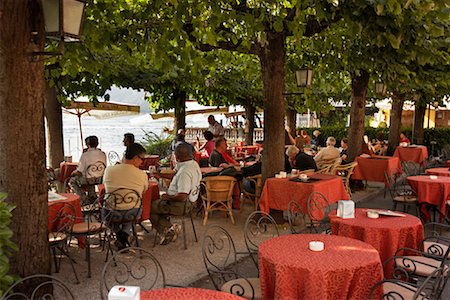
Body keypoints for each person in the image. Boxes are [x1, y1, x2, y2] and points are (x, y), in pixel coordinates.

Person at [150, 143, 202, 245]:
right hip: (191, 201)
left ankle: (168, 230)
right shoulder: (192, 164)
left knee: (150, 207)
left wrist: (167, 196)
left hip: (181, 205)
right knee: (158, 204)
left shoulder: (184, 172)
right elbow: (175, 174)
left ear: (177, 157)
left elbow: (182, 196)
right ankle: (171, 226)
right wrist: (160, 175)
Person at [101, 143, 148, 250]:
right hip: (132, 213)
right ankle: (124, 235)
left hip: (111, 213)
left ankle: (119, 234)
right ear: (135, 158)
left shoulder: (109, 170)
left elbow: (105, 186)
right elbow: (144, 191)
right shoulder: (142, 174)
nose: (142, 162)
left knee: (106, 216)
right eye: (142, 159)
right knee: (132, 211)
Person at [69, 136, 107, 204]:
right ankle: (92, 196)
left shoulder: (85, 155)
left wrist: (72, 173)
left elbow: (79, 170)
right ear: (97, 143)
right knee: (90, 178)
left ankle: (83, 198)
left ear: (87, 145)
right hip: (100, 178)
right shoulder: (103, 154)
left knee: (72, 181)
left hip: (88, 179)